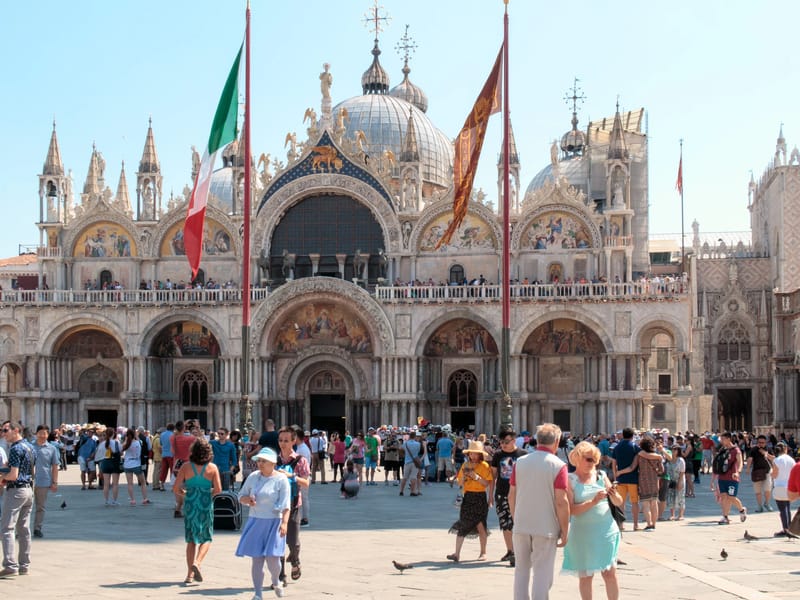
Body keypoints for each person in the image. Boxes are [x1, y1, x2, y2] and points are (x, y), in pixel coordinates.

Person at [509, 423, 570, 600]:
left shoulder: (520, 462)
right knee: (542, 572)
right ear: (556, 441)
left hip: (521, 525)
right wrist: (565, 530)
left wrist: (516, 518)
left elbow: (511, 495)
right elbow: (561, 501)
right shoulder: (558, 465)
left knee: (521, 570)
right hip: (546, 527)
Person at [562, 441, 622, 600]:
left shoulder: (601, 475)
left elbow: (618, 502)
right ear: (577, 458)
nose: (592, 463)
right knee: (586, 576)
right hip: (582, 534)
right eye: (588, 459)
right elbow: (571, 510)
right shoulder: (570, 479)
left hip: (606, 530)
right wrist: (593, 502)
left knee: (610, 573)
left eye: (595, 460)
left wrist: (614, 495)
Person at [237, 447, 291, 599]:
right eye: (259, 461)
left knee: (273, 560)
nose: (260, 464)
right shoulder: (253, 477)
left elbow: (286, 505)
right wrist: (248, 500)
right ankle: (258, 593)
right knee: (257, 559)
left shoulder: (281, 479)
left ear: (273, 463)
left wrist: (284, 523)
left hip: (274, 522)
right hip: (256, 521)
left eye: (264, 461)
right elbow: (241, 496)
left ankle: (276, 580)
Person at [173, 437, 222, 584]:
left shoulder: (186, 467)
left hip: (190, 504)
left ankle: (189, 575)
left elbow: (176, 488)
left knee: (191, 539)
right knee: (206, 537)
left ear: (193, 451)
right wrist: (207, 493)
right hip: (205, 505)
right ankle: (197, 562)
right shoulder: (212, 468)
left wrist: (186, 494)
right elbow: (218, 490)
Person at [447, 440, 494, 562]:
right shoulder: (465, 465)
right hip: (468, 496)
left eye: (476, 453)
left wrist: (475, 476)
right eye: (471, 453)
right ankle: (456, 554)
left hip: (480, 497)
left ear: (480, 454)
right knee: (463, 524)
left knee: (481, 525)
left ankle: (483, 552)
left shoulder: (484, 466)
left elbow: (486, 483)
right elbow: (460, 483)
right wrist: (464, 476)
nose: (473, 456)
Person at [0, 420, 34, 577]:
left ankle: (10, 565)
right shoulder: (29, 446)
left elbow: (13, 475)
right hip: (28, 489)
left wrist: (2, 478)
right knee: (24, 529)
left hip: (16, 490)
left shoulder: (15, 448)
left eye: (6, 430)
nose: (3, 434)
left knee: (7, 528)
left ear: (16, 431)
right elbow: (31, 470)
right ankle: (24, 565)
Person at [276, 426, 310, 584]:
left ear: (293, 441)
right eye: (280, 440)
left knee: (293, 540)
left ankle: (295, 560)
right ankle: (280, 575)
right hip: (276, 506)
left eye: (286, 440)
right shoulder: (273, 461)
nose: (282, 443)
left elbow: (306, 483)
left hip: (294, 504)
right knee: (278, 541)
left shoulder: (300, 460)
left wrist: (291, 476)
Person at [491, 427, 527, 567]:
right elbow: (493, 476)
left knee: (518, 523)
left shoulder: (523, 454)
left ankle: (520, 552)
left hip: (519, 494)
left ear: (513, 440)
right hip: (501, 493)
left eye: (506, 442)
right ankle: (510, 551)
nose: (503, 445)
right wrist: (490, 495)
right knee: (505, 523)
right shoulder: (497, 455)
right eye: (501, 442)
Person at [615, 438, 663, 530]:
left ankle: (648, 524)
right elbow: (661, 470)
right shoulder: (657, 457)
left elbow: (631, 468)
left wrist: (620, 472)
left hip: (643, 482)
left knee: (646, 504)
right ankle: (654, 524)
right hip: (654, 481)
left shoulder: (639, 455)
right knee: (654, 503)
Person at [31, 425, 60, 538]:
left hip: (44, 480)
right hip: (29, 481)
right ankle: (22, 529)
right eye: (40, 433)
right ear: (36, 433)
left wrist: (54, 482)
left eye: (45, 433)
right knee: (25, 507)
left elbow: (55, 466)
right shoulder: (30, 446)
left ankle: (37, 528)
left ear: (48, 435)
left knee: (40, 507)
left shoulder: (52, 448)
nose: (43, 435)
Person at [610, 427, 640, 530]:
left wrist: (615, 475)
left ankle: (621, 525)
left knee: (621, 503)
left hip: (620, 479)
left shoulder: (617, 447)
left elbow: (614, 463)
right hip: (633, 479)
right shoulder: (634, 447)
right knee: (634, 502)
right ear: (632, 436)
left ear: (623, 435)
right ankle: (635, 524)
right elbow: (634, 465)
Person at [714, 432, 747, 525]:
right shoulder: (722, 450)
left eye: (723, 439)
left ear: (728, 439)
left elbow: (740, 462)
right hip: (722, 477)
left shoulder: (736, 450)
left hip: (732, 478)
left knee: (731, 497)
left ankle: (742, 510)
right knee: (724, 497)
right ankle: (725, 517)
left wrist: (738, 472)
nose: (721, 441)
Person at [172, 420, 196, 517]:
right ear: (184, 428)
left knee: (180, 487)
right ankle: (187, 508)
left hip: (177, 465)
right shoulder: (189, 439)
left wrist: (183, 426)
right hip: (187, 465)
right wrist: (196, 427)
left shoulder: (173, 438)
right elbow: (199, 439)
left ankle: (178, 508)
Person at [122, 428, 151, 506]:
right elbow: (141, 448)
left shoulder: (126, 444)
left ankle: (132, 500)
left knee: (130, 483)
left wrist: (125, 440)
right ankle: (145, 498)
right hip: (137, 464)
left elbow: (121, 450)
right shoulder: (138, 442)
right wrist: (136, 437)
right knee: (143, 482)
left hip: (127, 464)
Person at [771, 442, 795, 536]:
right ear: (785, 449)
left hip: (779, 486)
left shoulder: (777, 460)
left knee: (782, 509)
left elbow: (775, 474)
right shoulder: (791, 460)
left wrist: (771, 474)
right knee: (787, 508)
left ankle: (785, 529)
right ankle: (789, 528)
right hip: (789, 486)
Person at [746, 434, 775, 512]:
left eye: (763, 443)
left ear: (766, 442)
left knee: (768, 489)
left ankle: (767, 503)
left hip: (767, 471)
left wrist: (765, 454)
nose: (761, 444)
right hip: (756, 472)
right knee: (758, 491)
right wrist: (748, 469)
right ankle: (759, 506)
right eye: (759, 442)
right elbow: (750, 459)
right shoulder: (754, 449)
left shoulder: (769, 449)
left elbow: (773, 458)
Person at [97, 427, 122, 506]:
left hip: (105, 462)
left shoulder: (102, 444)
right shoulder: (116, 442)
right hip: (114, 462)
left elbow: (99, 454)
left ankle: (106, 501)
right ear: (113, 434)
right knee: (115, 484)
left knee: (106, 484)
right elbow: (121, 452)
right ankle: (114, 501)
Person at [399, 431, 421, 497]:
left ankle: (401, 491)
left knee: (405, 477)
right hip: (415, 463)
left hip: (407, 462)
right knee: (413, 477)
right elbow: (418, 451)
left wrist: (404, 455)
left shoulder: (405, 443)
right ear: (415, 436)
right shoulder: (418, 444)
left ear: (409, 436)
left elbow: (400, 449)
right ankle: (412, 491)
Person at [158, 423, 175, 491]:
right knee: (172, 470)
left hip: (164, 454)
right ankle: (173, 486)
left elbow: (161, 444)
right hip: (171, 455)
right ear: (173, 428)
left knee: (164, 470)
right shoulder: (173, 435)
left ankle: (161, 484)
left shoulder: (162, 434)